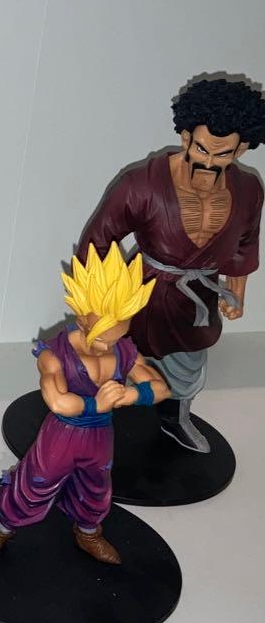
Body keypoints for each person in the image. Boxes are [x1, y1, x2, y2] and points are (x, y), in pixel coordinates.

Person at [79, 76, 264, 452]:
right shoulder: (141, 184)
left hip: (195, 297)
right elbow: (97, 242)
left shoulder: (248, 190)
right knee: (115, 356)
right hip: (139, 290)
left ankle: (174, 418)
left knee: (187, 361)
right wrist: (98, 304)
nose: (209, 162)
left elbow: (245, 244)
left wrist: (237, 292)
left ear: (241, 148)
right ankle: (94, 420)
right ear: (185, 136)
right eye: (202, 149)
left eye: (223, 154)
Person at [0, 244, 168, 566]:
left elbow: (161, 387)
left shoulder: (123, 349)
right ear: (82, 319)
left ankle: (88, 532)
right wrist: (97, 404)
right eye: (103, 337)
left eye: (118, 334)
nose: (109, 344)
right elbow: (58, 402)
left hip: (100, 435)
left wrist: (133, 395)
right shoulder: (55, 354)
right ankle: (2, 529)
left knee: (96, 486)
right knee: (35, 483)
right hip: (62, 434)